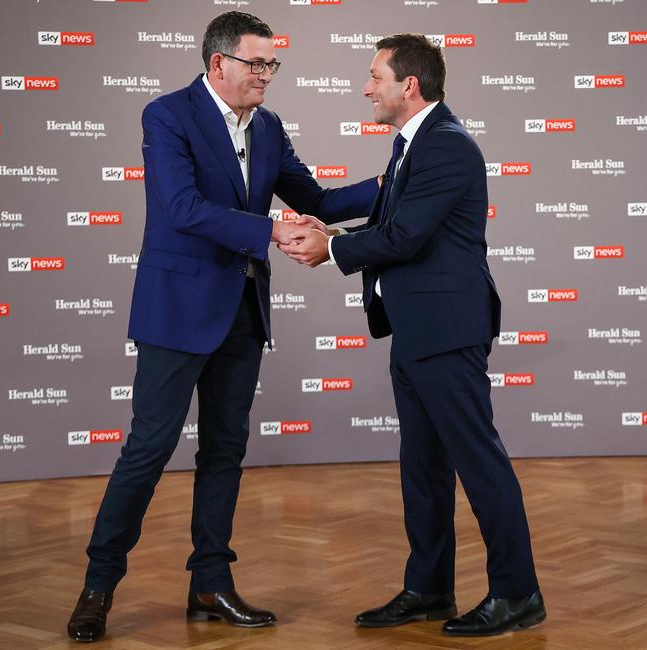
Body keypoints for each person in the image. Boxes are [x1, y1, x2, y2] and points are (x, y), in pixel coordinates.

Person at [67, 11, 377, 643]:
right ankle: (98, 584)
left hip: (241, 310)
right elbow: (179, 208)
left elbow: (313, 200)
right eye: (256, 63)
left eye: (272, 64)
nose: (267, 75)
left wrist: (394, 184)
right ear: (218, 64)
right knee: (148, 451)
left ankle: (210, 583)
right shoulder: (167, 115)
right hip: (176, 310)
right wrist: (269, 229)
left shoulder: (268, 128)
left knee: (226, 452)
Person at [280, 33, 546, 637]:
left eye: (375, 76)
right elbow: (395, 221)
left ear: (410, 86)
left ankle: (518, 593)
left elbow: (405, 238)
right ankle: (428, 588)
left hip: (447, 332)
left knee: (479, 464)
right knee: (422, 466)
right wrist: (330, 225)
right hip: (416, 330)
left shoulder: (446, 147)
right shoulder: (414, 144)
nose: (366, 87)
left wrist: (332, 248)